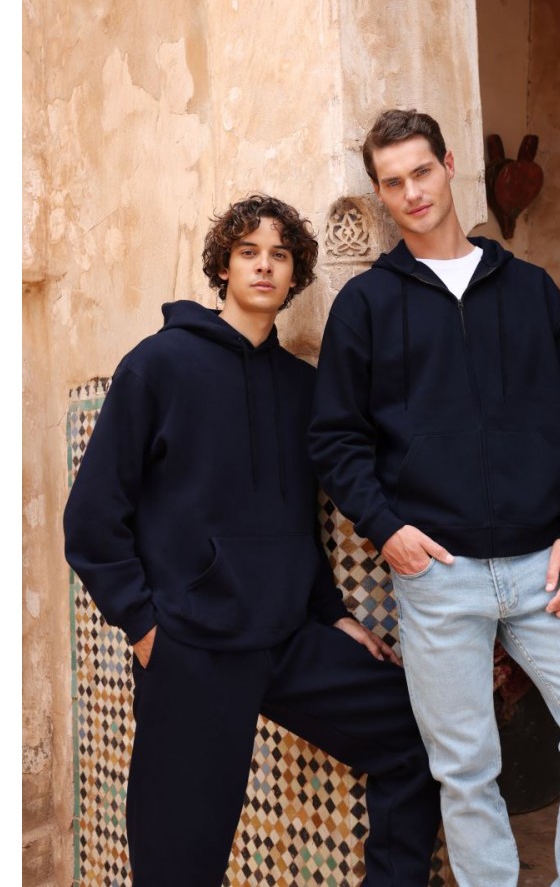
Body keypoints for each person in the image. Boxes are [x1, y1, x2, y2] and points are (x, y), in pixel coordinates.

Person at [308, 110, 560, 887]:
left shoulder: (529, 289)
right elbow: (335, 438)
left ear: (449, 165)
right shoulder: (366, 305)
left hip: (548, 567)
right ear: (381, 193)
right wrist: (388, 529)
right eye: (393, 181)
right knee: (465, 773)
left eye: (421, 171)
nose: (412, 192)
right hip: (439, 575)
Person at [64, 194, 441, 887]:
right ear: (224, 267)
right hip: (192, 649)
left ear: (295, 274)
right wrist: (146, 629)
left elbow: (297, 519)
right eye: (248, 253)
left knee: (418, 734)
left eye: (279, 254)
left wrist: (333, 615)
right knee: (178, 860)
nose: (264, 266)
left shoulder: (303, 388)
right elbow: (91, 519)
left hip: (289, 641)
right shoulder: (158, 365)